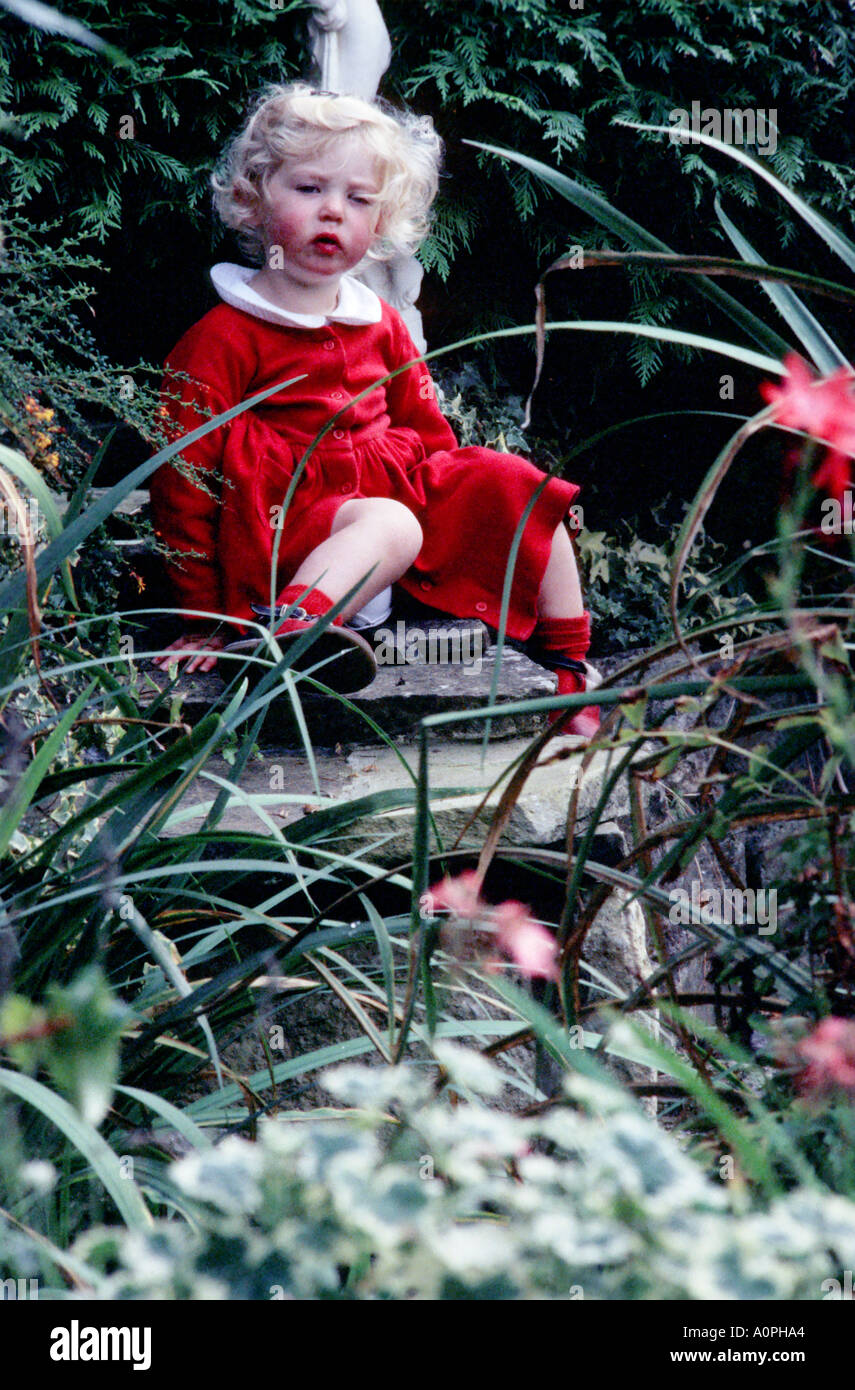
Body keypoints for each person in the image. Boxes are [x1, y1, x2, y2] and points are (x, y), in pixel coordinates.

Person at [150, 84, 600, 737]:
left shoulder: (379, 321)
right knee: (390, 522)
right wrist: (203, 619)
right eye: (308, 190)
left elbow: (426, 431)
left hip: (388, 515)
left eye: (357, 199)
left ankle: (565, 669)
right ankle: (286, 639)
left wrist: (467, 499)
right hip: (280, 538)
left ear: (381, 224)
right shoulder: (222, 337)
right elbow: (182, 481)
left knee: (521, 488)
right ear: (252, 197)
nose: (332, 212)